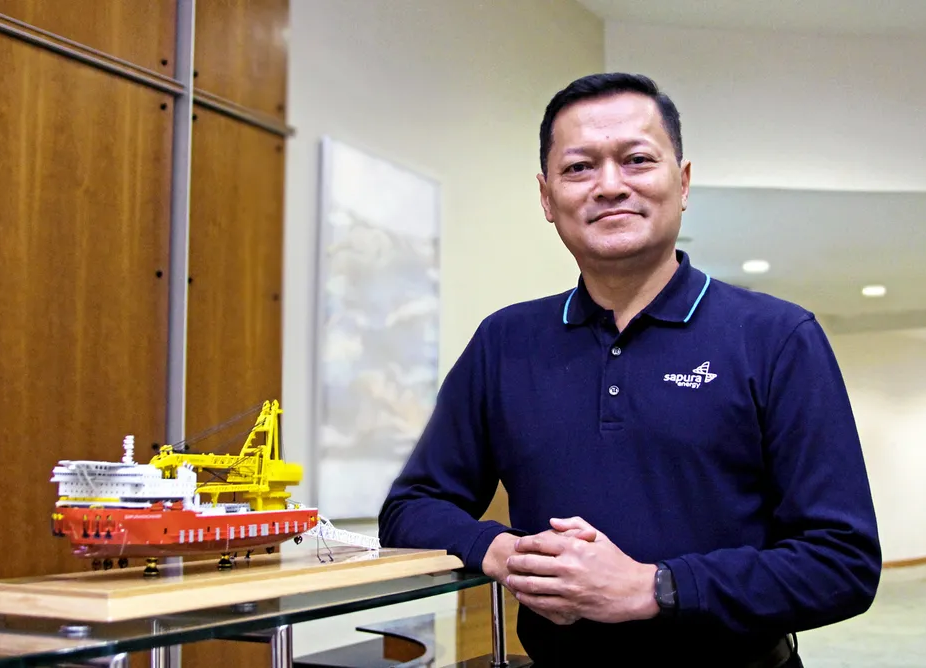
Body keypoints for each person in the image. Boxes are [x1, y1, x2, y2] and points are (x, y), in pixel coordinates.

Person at [377, 73, 881, 667]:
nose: (610, 185)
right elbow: (410, 509)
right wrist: (506, 553)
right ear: (546, 197)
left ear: (682, 182)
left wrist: (654, 587)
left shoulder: (777, 336)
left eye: (637, 160)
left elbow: (841, 562)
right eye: (578, 168)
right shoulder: (504, 342)